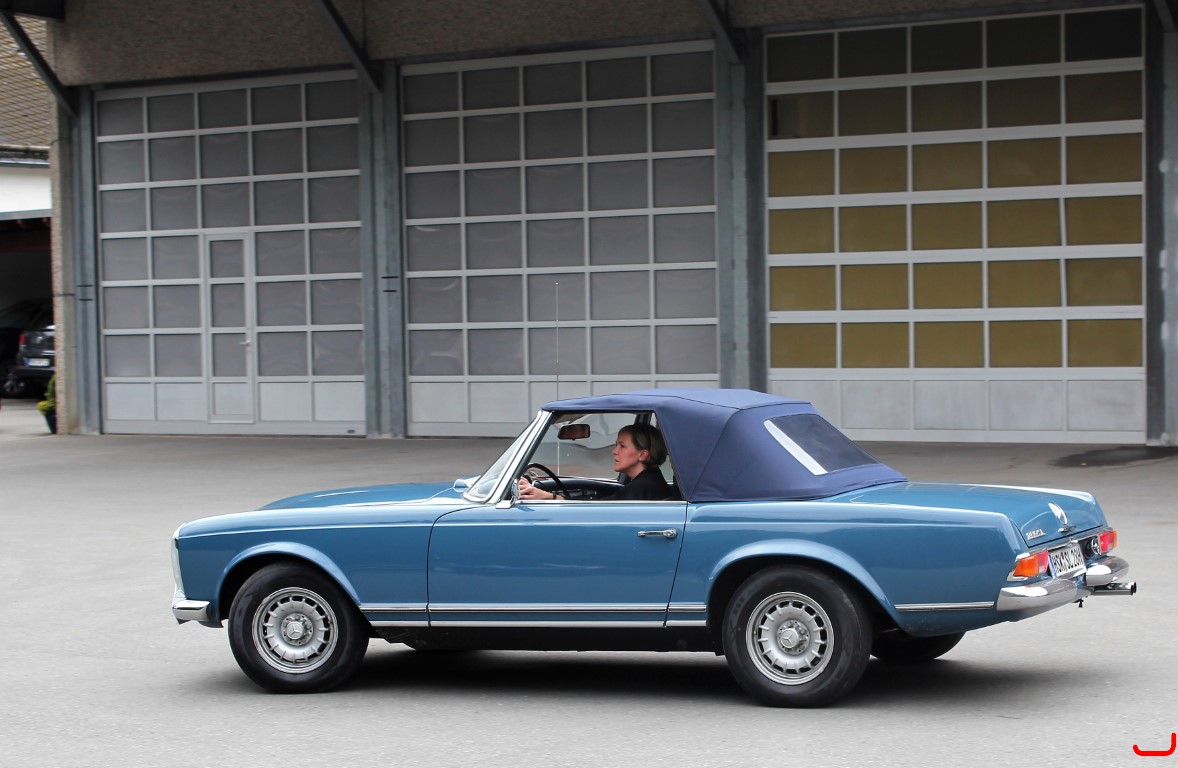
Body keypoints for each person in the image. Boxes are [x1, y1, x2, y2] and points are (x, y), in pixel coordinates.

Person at [518, 422, 670, 501]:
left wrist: (548, 497)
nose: (614, 451)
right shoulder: (649, 482)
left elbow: (600, 509)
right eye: (616, 445)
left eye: (622, 446)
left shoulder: (642, 487)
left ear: (642, 455)